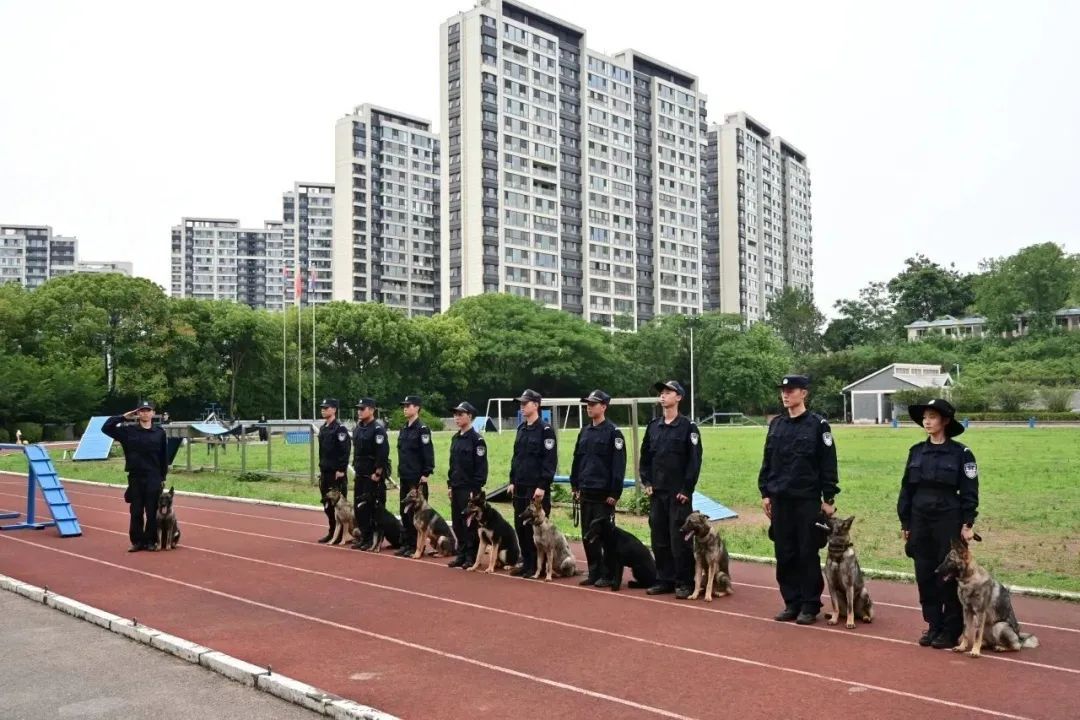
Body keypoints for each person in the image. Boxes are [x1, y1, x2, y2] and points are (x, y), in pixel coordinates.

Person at [898, 398, 979, 649]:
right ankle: (933, 624)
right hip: (920, 519)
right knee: (924, 574)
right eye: (924, 417)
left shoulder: (961, 453)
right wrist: (905, 522)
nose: (927, 421)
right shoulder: (916, 451)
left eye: (932, 417)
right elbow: (907, 490)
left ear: (945, 421)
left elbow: (969, 490)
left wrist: (968, 523)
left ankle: (951, 628)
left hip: (948, 519)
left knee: (947, 576)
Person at [758, 374, 839, 625]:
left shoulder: (818, 425)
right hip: (781, 498)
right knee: (784, 552)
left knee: (807, 552)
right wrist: (765, 492)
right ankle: (791, 602)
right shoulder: (776, 425)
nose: (785, 394)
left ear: (804, 393)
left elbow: (828, 463)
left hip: (806, 500)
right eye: (783, 390)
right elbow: (768, 460)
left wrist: (828, 497)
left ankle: (809, 604)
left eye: (791, 390)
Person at [639, 380, 702, 599]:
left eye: (668, 392)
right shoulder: (654, 426)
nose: (663, 396)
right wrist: (646, 482)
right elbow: (645, 457)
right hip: (657, 492)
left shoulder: (688, 427)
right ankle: (664, 579)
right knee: (659, 537)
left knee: (680, 540)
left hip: (678, 494)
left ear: (679, 397)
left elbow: (694, 461)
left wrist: (687, 488)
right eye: (661, 393)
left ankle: (684, 582)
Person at [570, 389, 626, 588]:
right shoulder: (584, 431)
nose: (589, 407)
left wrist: (614, 492)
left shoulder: (614, 433)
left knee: (605, 537)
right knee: (588, 535)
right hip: (586, 491)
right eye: (587, 403)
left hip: (604, 495)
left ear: (604, 406)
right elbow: (577, 459)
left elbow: (618, 465)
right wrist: (574, 484)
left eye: (593, 404)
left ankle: (609, 573)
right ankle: (594, 572)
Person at [102, 400, 169, 552]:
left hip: (153, 477)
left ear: (153, 413)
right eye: (142, 410)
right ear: (137, 413)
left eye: (148, 410)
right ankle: (137, 541)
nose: (145, 413)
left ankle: (151, 541)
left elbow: (164, 457)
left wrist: (162, 478)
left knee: (152, 511)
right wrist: (122, 417)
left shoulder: (159, 432)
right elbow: (106, 428)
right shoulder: (128, 431)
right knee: (136, 511)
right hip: (136, 477)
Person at [508, 389, 557, 578]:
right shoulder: (521, 429)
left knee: (536, 530)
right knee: (521, 527)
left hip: (535, 488)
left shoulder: (545, 430)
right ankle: (527, 562)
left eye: (525, 403)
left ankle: (540, 567)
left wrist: (543, 485)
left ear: (536, 405)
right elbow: (516, 457)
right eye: (521, 403)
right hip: (520, 485)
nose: (522, 406)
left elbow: (549, 460)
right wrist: (512, 480)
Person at [447, 401, 488, 567]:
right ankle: (462, 553)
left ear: (469, 416)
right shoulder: (456, 438)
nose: (457, 417)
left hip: (469, 488)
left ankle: (471, 556)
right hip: (456, 486)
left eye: (460, 414)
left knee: (469, 524)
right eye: (455, 414)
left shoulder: (477, 440)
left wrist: (475, 489)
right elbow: (453, 464)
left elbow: (481, 468)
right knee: (457, 522)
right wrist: (450, 485)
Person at [396, 395, 436, 557]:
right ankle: (408, 543)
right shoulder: (404, 428)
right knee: (405, 511)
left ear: (417, 407)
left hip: (417, 478)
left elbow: (427, 452)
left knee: (418, 513)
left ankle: (418, 546)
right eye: (404, 405)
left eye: (409, 405)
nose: (405, 408)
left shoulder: (422, 429)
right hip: (405, 476)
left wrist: (426, 472)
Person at [351, 397, 389, 550]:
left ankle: (373, 540)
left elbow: (382, 453)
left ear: (372, 410)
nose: (359, 411)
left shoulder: (378, 429)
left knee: (372, 507)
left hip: (372, 474)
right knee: (359, 507)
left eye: (363, 408)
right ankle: (364, 537)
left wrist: (378, 472)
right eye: (358, 409)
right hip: (360, 472)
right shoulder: (358, 428)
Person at [316, 398, 351, 543]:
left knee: (339, 506)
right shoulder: (324, 428)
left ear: (334, 410)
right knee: (327, 505)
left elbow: (345, 450)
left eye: (327, 407)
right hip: (325, 472)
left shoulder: (339, 428)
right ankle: (332, 531)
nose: (323, 409)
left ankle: (342, 534)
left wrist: (341, 469)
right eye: (322, 407)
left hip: (336, 473)